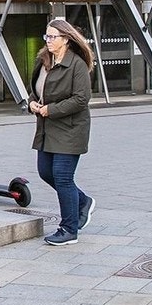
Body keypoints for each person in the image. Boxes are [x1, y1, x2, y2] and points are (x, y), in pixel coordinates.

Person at [27, 17, 95, 247]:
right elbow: (36, 89)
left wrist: (51, 109)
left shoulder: (76, 64)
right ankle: (83, 201)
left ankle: (68, 229)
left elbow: (81, 99)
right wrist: (32, 103)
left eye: (52, 36)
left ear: (65, 39)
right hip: (47, 127)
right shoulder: (43, 60)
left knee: (63, 177)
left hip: (71, 128)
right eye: (46, 36)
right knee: (45, 172)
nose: (48, 40)